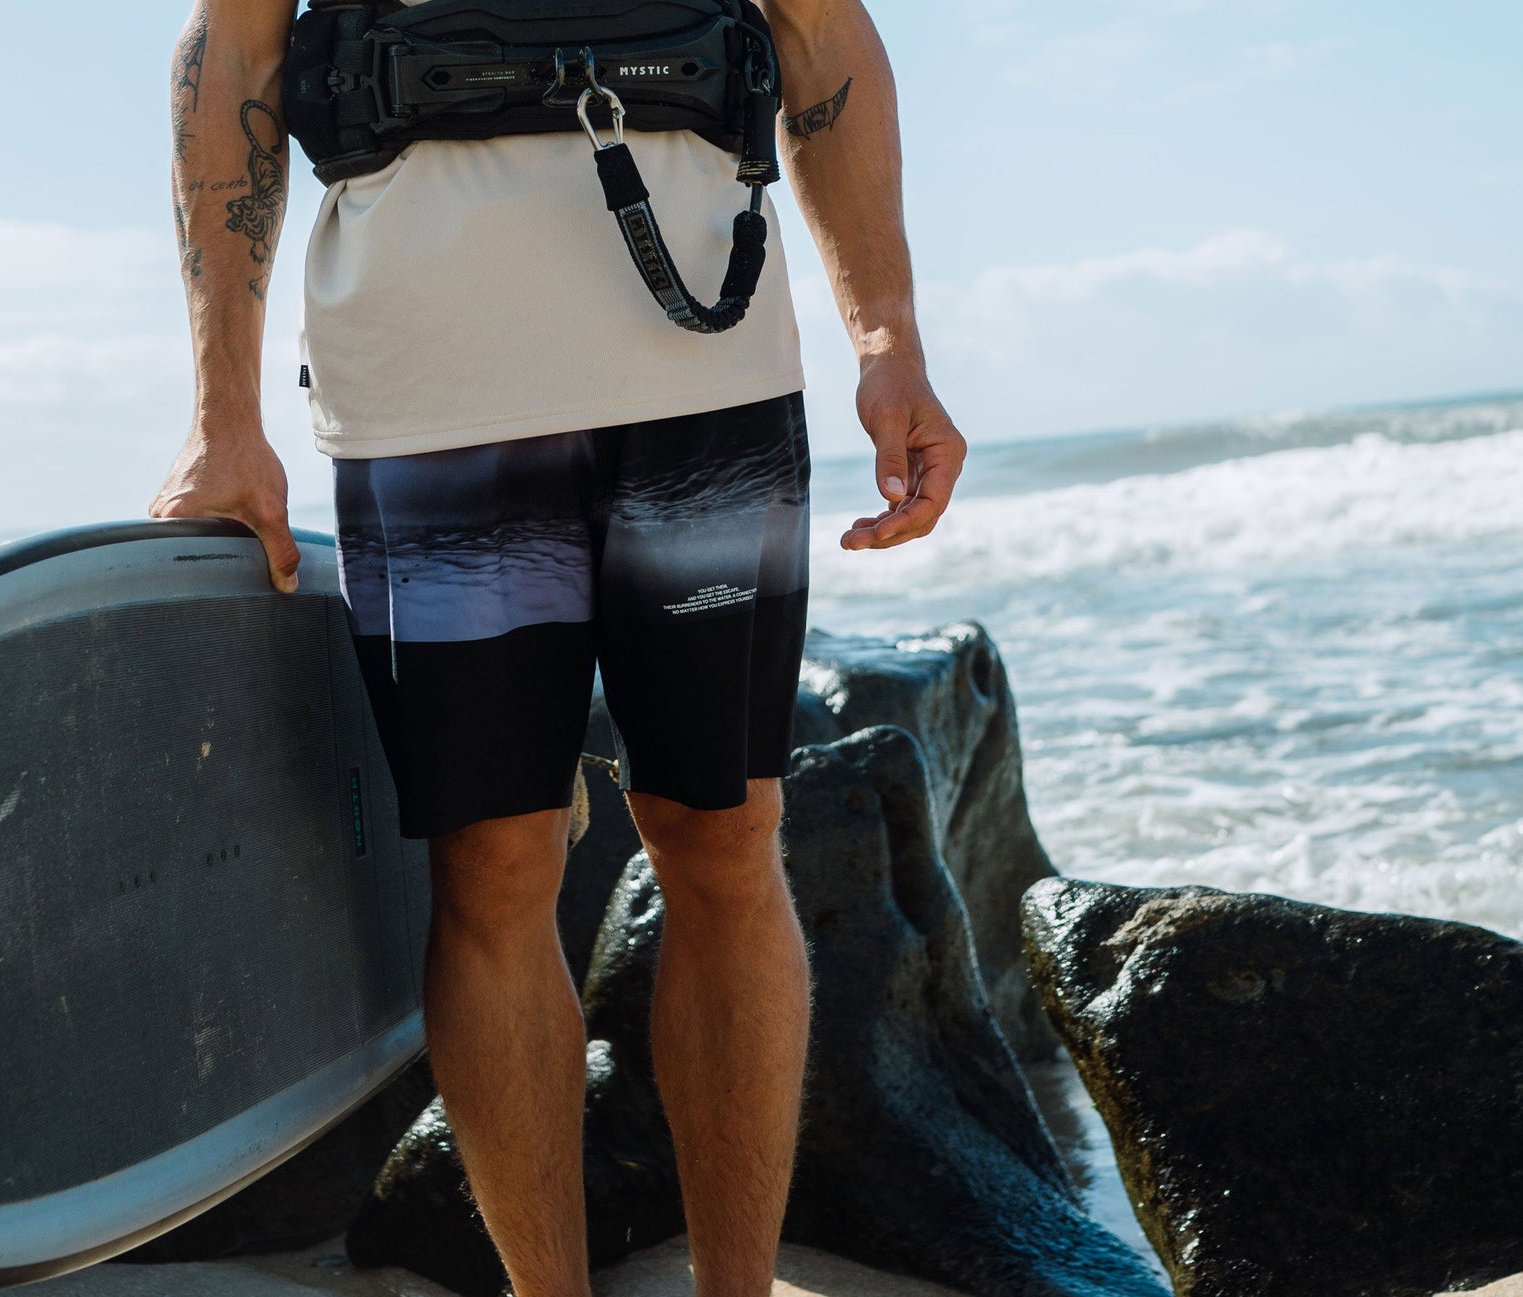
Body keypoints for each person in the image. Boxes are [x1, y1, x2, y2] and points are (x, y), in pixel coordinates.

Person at [150, 1, 965, 1294]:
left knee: (725, 833)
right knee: (491, 862)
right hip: (425, 394)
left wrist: (889, 345)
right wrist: (221, 414)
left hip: (711, 377)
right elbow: (230, 55)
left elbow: (823, 36)